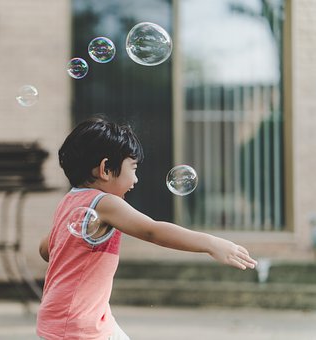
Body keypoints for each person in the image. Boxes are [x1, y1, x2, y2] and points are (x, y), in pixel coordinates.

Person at [36, 117, 257, 340]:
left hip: (74, 316)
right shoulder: (105, 203)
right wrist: (211, 244)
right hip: (77, 325)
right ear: (105, 169)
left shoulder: (69, 201)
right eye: (132, 168)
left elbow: (46, 250)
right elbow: (153, 231)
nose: (136, 179)